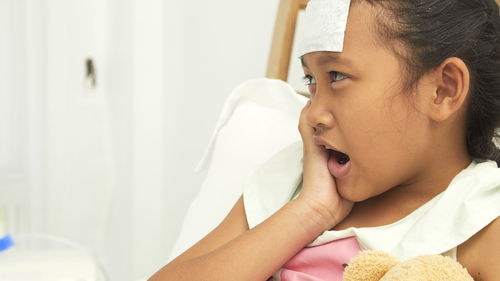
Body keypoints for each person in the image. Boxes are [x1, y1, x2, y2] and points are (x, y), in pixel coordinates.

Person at [150, 0, 500, 280]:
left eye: (337, 75)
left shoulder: (481, 217)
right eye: (310, 80)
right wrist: (309, 212)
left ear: (443, 89)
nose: (313, 113)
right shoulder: (290, 184)